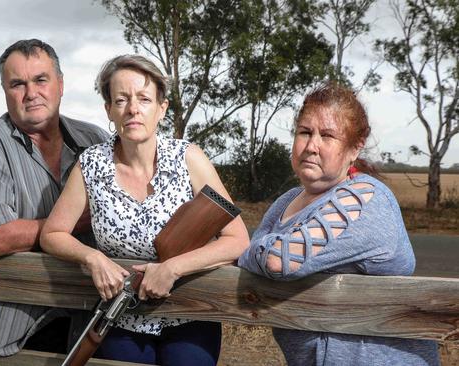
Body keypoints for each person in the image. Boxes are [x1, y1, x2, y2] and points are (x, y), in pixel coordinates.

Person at [40, 54, 250, 366]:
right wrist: (92, 257)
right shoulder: (91, 165)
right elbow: (52, 234)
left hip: (190, 314)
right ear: (109, 110)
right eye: (121, 99)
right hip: (122, 319)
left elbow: (237, 239)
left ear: (162, 108)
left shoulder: (189, 159)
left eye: (144, 99)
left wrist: (173, 268)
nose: (133, 109)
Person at [237, 82, 440, 366]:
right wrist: (254, 252)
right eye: (304, 132)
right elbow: (255, 255)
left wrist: (252, 250)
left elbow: (279, 261)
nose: (311, 146)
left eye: (327, 135)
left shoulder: (366, 198)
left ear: (354, 148)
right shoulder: (286, 201)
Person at [0, 39, 109, 356]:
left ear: (60, 84)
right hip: (25, 321)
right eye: (17, 84)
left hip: (96, 310)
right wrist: (73, 223)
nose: (31, 93)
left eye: (41, 79)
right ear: (5, 91)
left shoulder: (95, 139)